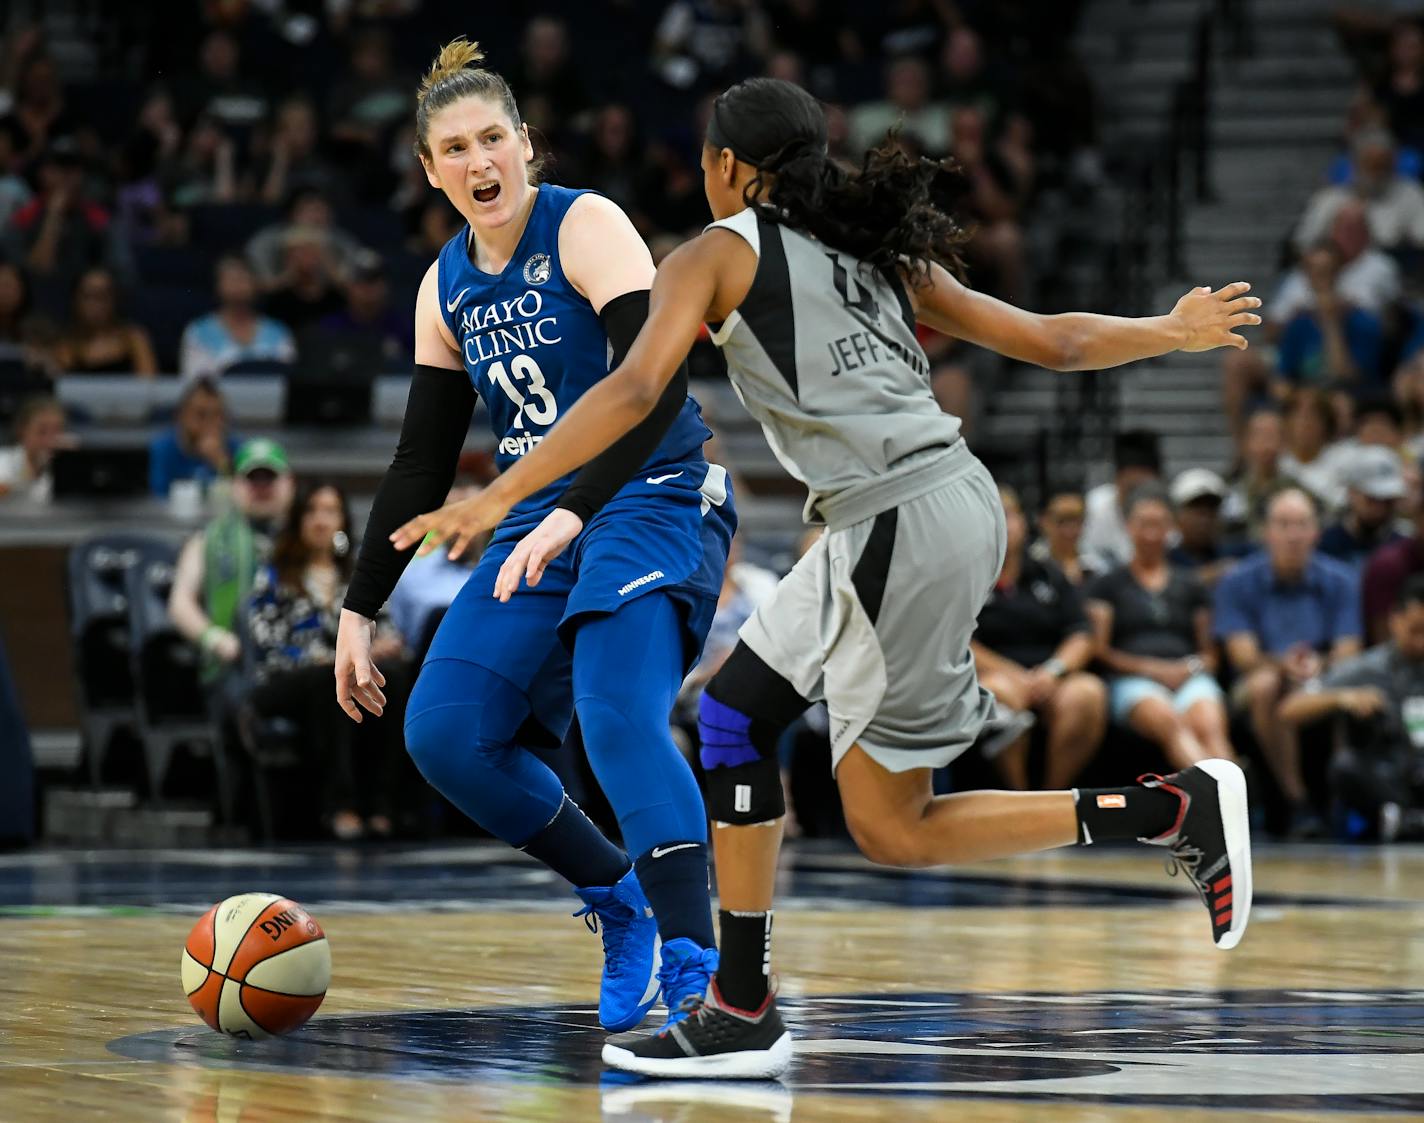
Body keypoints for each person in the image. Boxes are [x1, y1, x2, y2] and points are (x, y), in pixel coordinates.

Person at [393, 77, 1262, 1078]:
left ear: (725, 167)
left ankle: (1170, 808)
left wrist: (497, 496)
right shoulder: (876, 251)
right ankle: (742, 1004)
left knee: (892, 826)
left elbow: (632, 387)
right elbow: (1052, 338)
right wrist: (1168, 329)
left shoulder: (713, 254)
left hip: (901, 518)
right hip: (905, 511)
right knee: (732, 721)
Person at [332, 40, 737, 1041]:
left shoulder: (587, 224)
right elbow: (419, 467)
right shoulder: (443, 287)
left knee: (614, 712)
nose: (479, 163)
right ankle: (616, 895)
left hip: (652, 489)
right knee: (443, 733)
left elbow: (656, 384)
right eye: (453, 149)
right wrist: (356, 605)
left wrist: (570, 505)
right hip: (535, 515)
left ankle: (700, 971)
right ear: (429, 171)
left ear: (525, 145)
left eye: (492, 139)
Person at [246, 481, 406, 839]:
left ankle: (383, 806)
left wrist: (381, 646)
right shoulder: (274, 572)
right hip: (285, 679)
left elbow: (388, 628)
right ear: (298, 519)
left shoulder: (358, 574)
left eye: (330, 510)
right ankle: (340, 806)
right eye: (312, 510)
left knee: (395, 677)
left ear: (343, 520)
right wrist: (332, 657)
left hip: (343, 674)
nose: (321, 520)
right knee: (328, 681)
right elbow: (267, 640)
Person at [1215, 487, 1363, 838]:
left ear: (1317, 532)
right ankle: (1297, 802)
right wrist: (1285, 667)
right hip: (1258, 681)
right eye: (1283, 524)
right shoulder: (1237, 581)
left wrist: (1318, 667)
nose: (1293, 535)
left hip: (1323, 676)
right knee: (1267, 686)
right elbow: (1244, 657)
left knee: (1352, 685)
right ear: (1266, 532)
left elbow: (1349, 651)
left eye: (1302, 524)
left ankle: (1343, 800)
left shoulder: (1341, 579)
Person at [1086, 485, 1236, 770]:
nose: (1152, 534)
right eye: (1144, 524)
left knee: (1210, 724)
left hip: (1188, 676)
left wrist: (1187, 669)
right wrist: (1152, 669)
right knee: (1170, 721)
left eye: (1159, 525)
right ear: (1128, 527)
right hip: (1132, 681)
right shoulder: (1108, 584)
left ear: (1171, 529)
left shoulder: (1191, 583)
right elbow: (1100, 650)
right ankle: (1216, 800)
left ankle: (1233, 803)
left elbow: (1210, 654)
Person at [973, 485, 1107, 790]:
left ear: (1024, 522)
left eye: (1008, 515)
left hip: (1050, 675)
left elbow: (1080, 634)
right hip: (995, 675)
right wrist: (1016, 676)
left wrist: (1053, 671)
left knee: (1087, 693)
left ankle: (1053, 795)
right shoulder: (967, 577)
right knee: (997, 692)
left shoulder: (1048, 573)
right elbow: (958, 642)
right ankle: (1019, 800)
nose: (1003, 524)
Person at [1278, 574, 1424, 841]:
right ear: (1395, 619)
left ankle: (1407, 823)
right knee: (1346, 766)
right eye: (1415, 630)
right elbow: (1290, 709)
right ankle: (1403, 819)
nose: (1421, 642)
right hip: (1392, 774)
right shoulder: (1369, 667)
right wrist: (1343, 697)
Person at [168, 438, 295, 694]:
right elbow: (180, 603)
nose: (261, 488)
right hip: (235, 663)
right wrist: (215, 639)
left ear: (289, 483)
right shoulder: (208, 540)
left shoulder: (306, 536)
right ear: (235, 485)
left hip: (297, 656)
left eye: (269, 479)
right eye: (253, 479)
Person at [179, 256, 297, 380]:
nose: (238, 283)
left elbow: (289, 382)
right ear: (217, 285)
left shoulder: (278, 331)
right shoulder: (198, 331)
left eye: (243, 277)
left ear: (255, 283)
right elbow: (197, 385)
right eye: (231, 278)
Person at [51, 266, 157, 376]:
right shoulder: (65, 346)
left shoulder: (133, 339)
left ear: (115, 299)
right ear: (75, 300)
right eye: (88, 296)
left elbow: (148, 386)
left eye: (103, 296)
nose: (96, 304)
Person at [1081, 429, 1163, 571]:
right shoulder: (1097, 504)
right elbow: (1085, 555)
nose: (1137, 495)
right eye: (1131, 487)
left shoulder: (1161, 508)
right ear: (1118, 478)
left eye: (1143, 487)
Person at [148, 377, 239, 498]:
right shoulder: (164, 449)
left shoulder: (236, 449)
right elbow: (159, 497)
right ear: (181, 416)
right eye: (201, 415)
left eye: (218, 415)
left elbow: (246, 498)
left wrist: (223, 464)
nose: (210, 423)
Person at [0, 394, 67, 502]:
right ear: (22, 431)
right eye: (42, 432)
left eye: (58, 431)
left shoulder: (68, 468)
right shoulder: (3, 461)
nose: (50, 440)